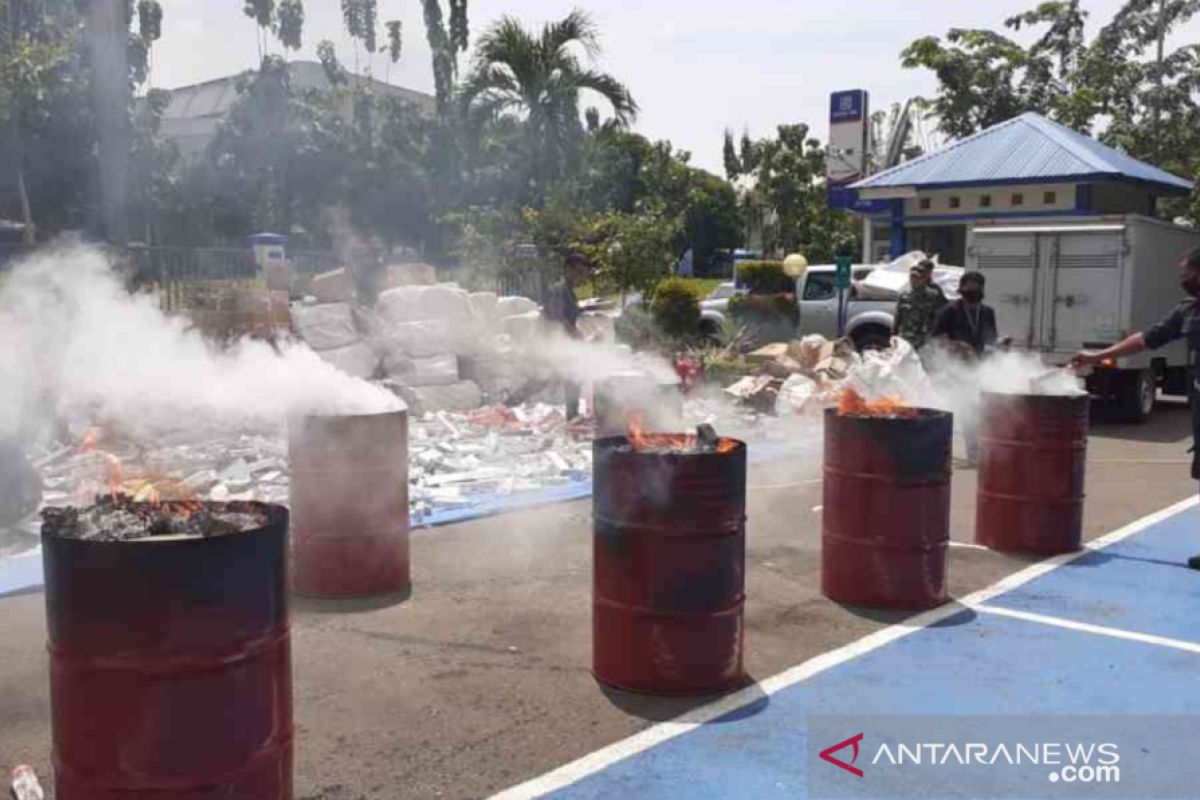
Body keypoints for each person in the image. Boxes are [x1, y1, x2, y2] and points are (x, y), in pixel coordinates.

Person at [1072, 245, 1200, 570]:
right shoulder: (1188, 310)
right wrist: (1098, 357)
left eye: (1186, 274)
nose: (1182, 279)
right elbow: (1146, 339)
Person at [932, 271, 1011, 465]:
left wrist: (1001, 345)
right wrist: (957, 346)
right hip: (954, 368)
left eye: (976, 287)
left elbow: (991, 340)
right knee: (957, 410)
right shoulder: (949, 311)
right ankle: (945, 453)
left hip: (978, 367)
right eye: (968, 287)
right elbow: (936, 339)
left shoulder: (987, 312)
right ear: (961, 289)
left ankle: (976, 453)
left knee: (976, 411)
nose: (972, 291)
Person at [541, 252, 591, 420]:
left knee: (573, 377)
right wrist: (573, 332)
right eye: (578, 272)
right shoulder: (559, 289)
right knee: (541, 380)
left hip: (565, 341)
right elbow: (556, 314)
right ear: (567, 269)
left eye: (584, 274)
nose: (581, 277)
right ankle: (507, 406)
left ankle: (573, 414)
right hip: (557, 341)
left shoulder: (569, 291)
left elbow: (568, 314)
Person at [893, 258, 947, 351]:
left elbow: (937, 316)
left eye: (917, 278)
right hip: (906, 337)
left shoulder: (933, 295)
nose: (913, 280)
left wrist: (935, 335)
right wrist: (894, 333)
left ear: (923, 278)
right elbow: (898, 316)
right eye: (912, 277)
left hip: (924, 339)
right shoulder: (905, 295)